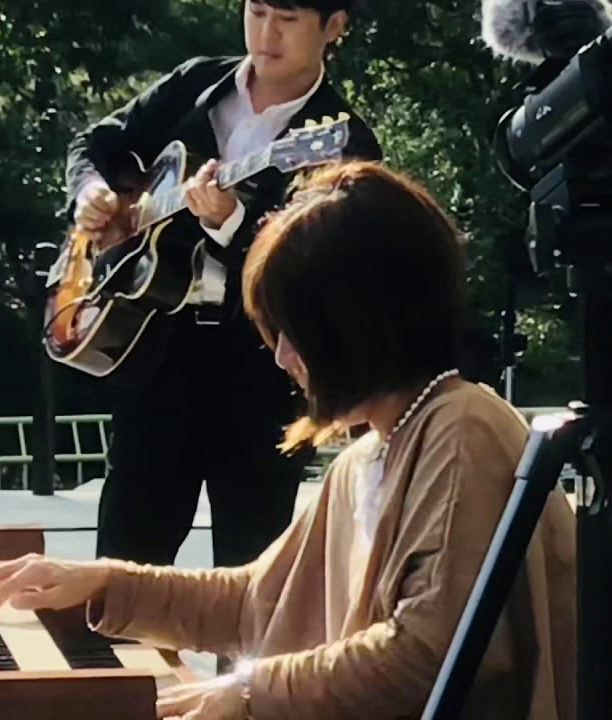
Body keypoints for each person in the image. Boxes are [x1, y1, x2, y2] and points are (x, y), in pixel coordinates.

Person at [0, 162, 577, 719]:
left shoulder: (461, 431)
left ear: (360, 325)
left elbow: (426, 656)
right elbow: (259, 599)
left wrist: (251, 692)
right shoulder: (371, 453)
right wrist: (102, 582)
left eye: (293, 332)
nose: (282, 356)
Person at [61, 0, 381, 569]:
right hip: (155, 357)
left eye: (288, 19)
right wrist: (89, 192)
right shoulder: (195, 84)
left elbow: (317, 276)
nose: (266, 34)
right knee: (121, 569)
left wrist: (229, 225)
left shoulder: (345, 142)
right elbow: (94, 144)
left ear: (334, 28)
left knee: (251, 578)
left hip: (259, 376)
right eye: (257, 12)